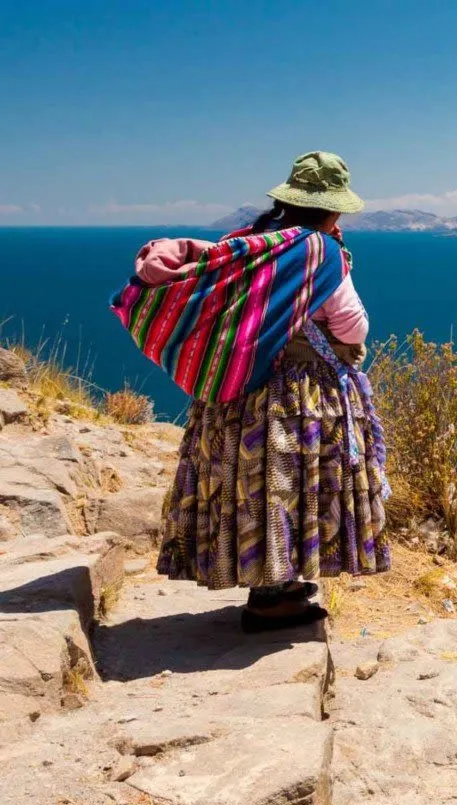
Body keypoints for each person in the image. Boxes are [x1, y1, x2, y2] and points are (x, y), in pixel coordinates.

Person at [123, 151, 389, 632]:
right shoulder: (317, 252)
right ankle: (272, 598)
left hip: (234, 388)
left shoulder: (245, 244)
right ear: (334, 209)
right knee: (286, 483)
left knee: (245, 483)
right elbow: (351, 325)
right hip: (292, 395)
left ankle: (269, 582)